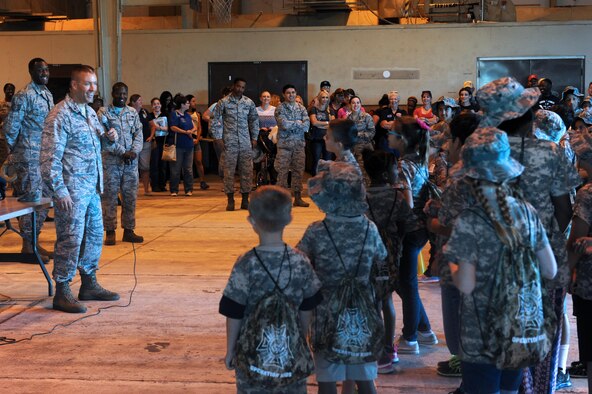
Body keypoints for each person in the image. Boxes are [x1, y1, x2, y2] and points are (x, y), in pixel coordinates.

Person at [479, 76, 580, 393]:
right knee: (541, 327)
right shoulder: (550, 151)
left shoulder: (484, 154)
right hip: (542, 256)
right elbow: (564, 209)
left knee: (497, 332)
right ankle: (538, 386)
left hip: (494, 257)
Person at [443, 127, 557, 394]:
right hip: (518, 329)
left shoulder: (469, 220)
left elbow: (467, 285)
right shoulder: (527, 212)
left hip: (480, 335)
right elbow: (550, 270)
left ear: (471, 176)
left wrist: (452, 259)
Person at [219, 185, 322, 394]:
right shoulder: (300, 261)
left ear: (251, 222)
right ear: (289, 219)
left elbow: (234, 312)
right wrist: (299, 339)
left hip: (252, 357)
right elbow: (307, 309)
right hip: (290, 356)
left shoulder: (246, 263)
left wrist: (230, 350)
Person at [297, 160, 387, 394]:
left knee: (327, 380)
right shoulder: (370, 228)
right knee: (365, 379)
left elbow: (299, 263)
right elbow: (381, 257)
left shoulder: (316, 231)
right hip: (363, 315)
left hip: (326, 315)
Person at [40, 65, 120, 313]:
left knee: (94, 237)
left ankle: (88, 284)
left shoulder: (89, 113)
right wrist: (59, 191)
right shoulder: (60, 115)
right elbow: (48, 159)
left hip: (92, 188)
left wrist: (109, 137)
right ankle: (62, 290)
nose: (92, 89)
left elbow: (99, 142)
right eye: (87, 84)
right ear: (74, 85)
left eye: (94, 84)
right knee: (70, 240)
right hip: (72, 191)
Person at [387, 116, 438, 355]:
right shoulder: (417, 160)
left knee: (406, 284)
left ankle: (410, 338)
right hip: (420, 229)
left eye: (392, 134)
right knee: (404, 282)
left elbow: (405, 203)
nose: (388, 137)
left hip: (409, 230)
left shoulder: (403, 166)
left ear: (402, 139)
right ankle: (425, 330)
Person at [363, 148, 414, 374]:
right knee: (387, 302)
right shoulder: (397, 196)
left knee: (371, 301)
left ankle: (374, 347)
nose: (397, 170)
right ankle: (388, 349)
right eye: (394, 167)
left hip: (366, 256)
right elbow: (408, 224)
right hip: (390, 255)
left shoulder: (361, 196)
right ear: (385, 173)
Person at [4, 58, 54, 261]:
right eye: (40, 70)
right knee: (30, 199)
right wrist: (16, 152)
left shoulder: (47, 94)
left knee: (44, 199)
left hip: (44, 156)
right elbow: (10, 128)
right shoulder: (24, 96)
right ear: (31, 72)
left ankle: (34, 240)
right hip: (27, 157)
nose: (44, 73)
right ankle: (27, 246)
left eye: (46, 70)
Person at [98, 83, 144, 245]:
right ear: (112, 93)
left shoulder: (132, 112)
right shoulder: (104, 112)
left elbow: (139, 134)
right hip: (111, 163)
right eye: (119, 94)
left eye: (125, 94)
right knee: (109, 197)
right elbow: (103, 138)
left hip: (130, 163)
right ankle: (110, 231)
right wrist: (122, 152)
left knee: (130, 196)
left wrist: (134, 152)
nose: (122, 97)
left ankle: (129, 230)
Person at [566, 133, 592, 393]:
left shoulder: (587, 194)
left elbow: (576, 240)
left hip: (588, 284)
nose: (580, 165)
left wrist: (564, 272)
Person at [211, 78, 259, 211]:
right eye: (238, 86)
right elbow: (214, 120)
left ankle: (245, 200)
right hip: (229, 142)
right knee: (228, 172)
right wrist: (217, 138)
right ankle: (230, 200)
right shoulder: (223, 102)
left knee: (247, 171)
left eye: (243, 87)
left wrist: (254, 138)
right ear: (233, 86)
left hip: (245, 142)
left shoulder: (248, 102)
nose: (240, 89)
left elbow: (254, 121)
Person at [274, 84, 310, 207]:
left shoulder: (302, 108)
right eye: (288, 93)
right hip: (284, 146)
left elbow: (306, 126)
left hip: (299, 145)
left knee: (298, 171)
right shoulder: (280, 108)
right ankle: (281, 200)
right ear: (284, 94)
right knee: (282, 172)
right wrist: (298, 122)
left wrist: (294, 123)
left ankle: (298, 198)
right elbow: (283, 124)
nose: (291, 95)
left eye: (293, 92)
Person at [167, 93, 195, 197]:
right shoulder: (174, 114)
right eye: (187, 103)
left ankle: (189, 189)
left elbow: (194, 127)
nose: (189, 105)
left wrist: (191, 131)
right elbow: (173, 127)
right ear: (182, 104)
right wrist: (184, 132)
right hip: (177, 145)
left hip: (189, 145)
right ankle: (174, 190)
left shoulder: (188, 115)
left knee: (188, 169)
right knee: (175, 169)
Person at [348, 96, 375, 183]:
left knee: (364, 172)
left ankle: (367, 193)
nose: (355, 105)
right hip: (352, 148)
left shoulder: (366, 116)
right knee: (354, 172)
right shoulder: (349, 118)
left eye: (357, 103)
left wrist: (358, 135)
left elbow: (372, 132)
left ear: (360, 104)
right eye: (353, 103)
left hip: (364, 146)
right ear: (350, 105)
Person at [129, 94, 152, 196]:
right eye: (139, 100)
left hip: (145, 143)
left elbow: (152, 124)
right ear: (133, 102)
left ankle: (147, 189)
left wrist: (151, 136)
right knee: (133, 168)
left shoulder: (144, 112)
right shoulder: (128, 112)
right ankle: (133, 190)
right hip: (132, 144)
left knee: (145, 167)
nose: (141, 102)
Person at [186, 94, 209, 190]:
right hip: (187, 138)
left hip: (196, 139)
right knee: (188, 163)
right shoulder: (184, 114)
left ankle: (202, 181)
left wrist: (198, 138)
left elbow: (199, 127)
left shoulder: (197, 114)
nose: (195, 103)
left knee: (199, 161)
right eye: (193, 101)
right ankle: (189, 182)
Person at [308, 89, 333, 176]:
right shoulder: (313, 109)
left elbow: (332, 124)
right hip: (316, 138)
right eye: (323, 97)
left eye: (326, 97)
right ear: (319, 98)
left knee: (328, 160)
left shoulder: (330, 110)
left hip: (328, 139)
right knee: (316, 159)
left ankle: (327, 180)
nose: (325, 99)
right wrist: (326, 123)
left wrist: (320, 124)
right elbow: (314, 122)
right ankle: (315, 180)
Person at [148, 97, 169, 192]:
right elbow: (151, 128)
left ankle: (162, 184)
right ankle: (154, 185)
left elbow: (167, 128)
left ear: (161, 105)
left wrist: (158, 127)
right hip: (154, 142)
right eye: (154, 104)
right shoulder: (149, 116)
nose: (157, 105)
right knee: (154, 164)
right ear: (152, 106)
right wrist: (160, 128)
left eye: (158, 103)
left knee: (163, 164)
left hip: (164, 141)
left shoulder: (165, 115)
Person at [0, 82, 15, 167]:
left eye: (12, 90)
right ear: (4, 91)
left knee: (13, 160)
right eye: (8, 89)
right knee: (3, 159)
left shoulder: (16, 104)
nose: (10, 91)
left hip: (14, 137)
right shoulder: (1, 104)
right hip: (2, 137)